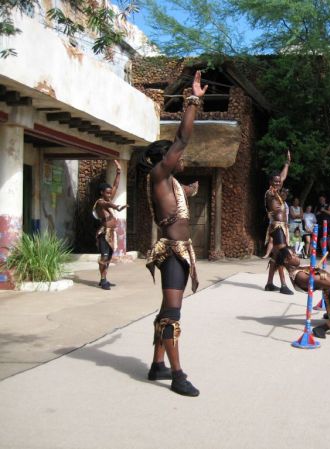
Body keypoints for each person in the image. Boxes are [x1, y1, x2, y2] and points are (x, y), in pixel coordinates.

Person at [141, 71, 208, 397]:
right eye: (174, 156)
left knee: (167, 310)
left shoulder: (170, 183)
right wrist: (193, 100)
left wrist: (192, 190)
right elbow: (181, 139)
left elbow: (183, 195)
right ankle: (177, 375)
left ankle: (157, 364)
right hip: (171, 252)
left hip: (180, 251)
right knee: (171, 313)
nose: (180, 158)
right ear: (164, 160)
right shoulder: (158, 174)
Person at [93, 160, 128, 290]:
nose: (109, 195)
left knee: (109, 256)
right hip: (104, 233)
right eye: (107, 193)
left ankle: (104, 278)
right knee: (104, 256)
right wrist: (117, 207)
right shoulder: (100, 202)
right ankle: (103, 280)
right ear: (101, 192)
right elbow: (108, 205)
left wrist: (119, 171)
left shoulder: (107, 198)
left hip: (111, 233)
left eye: (109, 193)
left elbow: (116, 186)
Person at [264, 151, 294, 295]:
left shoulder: (277, 192)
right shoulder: (270, 193)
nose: (278, 183)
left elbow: (282, 177)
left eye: (278, 181)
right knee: (283, 253)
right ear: (271, 182)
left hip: (282, 227)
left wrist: (287, 163)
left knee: (276, 256)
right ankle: (283, 284)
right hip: (277, 227)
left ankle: (269, 284)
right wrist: (279, 191)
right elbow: (279, 181)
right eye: (275, 181)